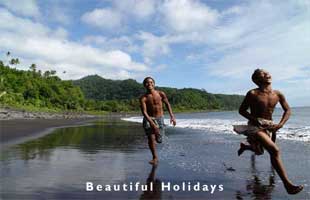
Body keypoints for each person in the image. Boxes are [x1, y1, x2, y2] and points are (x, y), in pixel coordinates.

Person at [233, 69, 303, 194]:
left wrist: (280, 124)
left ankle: (246, 146)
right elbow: (242, 110)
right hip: (255, 127)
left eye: (267, 73)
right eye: (263, 74)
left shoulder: (278, 94)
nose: (267, 74)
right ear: (257, 80)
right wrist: (256, 120)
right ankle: (288, 186)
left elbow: (287, 110)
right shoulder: (253, 93)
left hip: (270, 127)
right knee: (274, 150)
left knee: (260, 152)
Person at [140, 77, 176, 165]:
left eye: (151, 82)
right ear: (144, 85)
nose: (149, 84)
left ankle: (156, 137)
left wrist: (172, 116)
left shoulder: (161, 93)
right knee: (151, 138)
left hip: (160, 118)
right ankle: (155, 157)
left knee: (159, 140)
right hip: (149, 118)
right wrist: (152, 124)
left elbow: (167, 104)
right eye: (147, 83)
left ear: (154, 84)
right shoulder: (143, 98)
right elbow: (144, 112)